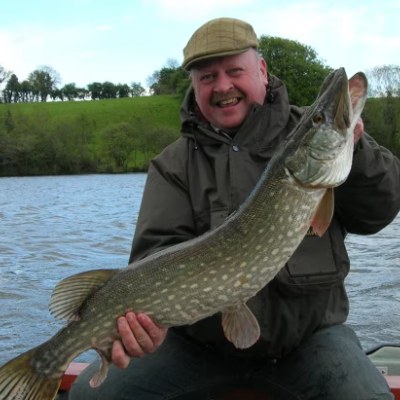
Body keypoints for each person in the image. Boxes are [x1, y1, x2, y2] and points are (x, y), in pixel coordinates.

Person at [70, 17, 400, 399]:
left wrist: (356, 150)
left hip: (312, 342)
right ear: (194, 86)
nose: (223, 86)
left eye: (234, 71)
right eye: (208, 77)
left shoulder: (310, 140)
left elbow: (379, 211)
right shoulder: (173, 165)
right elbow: (154, 258)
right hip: (197, 349)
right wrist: (147, 324)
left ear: (261, 70)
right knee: (90, 395)